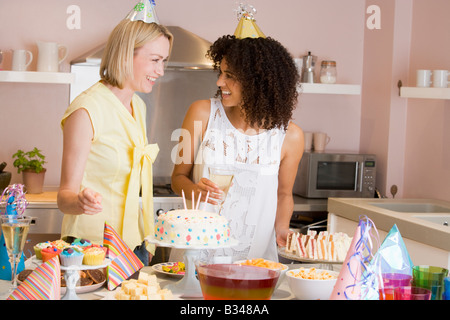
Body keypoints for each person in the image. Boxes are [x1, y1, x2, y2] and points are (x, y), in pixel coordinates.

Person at [171, 35, 304, 262]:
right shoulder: (200, 113)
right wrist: (195, 190)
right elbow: (177, 178)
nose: (219, 82)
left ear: (257, 81)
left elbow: (283, 194)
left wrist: (282, 228)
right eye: (220, 73)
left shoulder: (291, 136)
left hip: (255, 260)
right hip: (197, 255)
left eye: (230, 76)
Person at [57, 19, 173, 265]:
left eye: (164, 61)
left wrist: (146, 240)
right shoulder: (86, 109)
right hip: (91, 248)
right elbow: (64, 197)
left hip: (134, 245)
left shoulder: (138, 106)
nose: (161, 71)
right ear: (125, 55)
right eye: (154, 60)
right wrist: (80, 202)